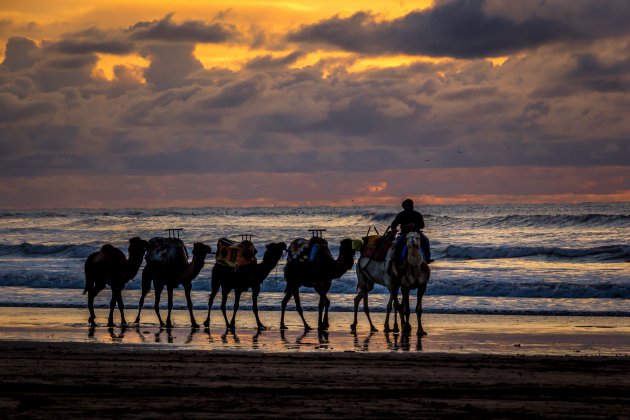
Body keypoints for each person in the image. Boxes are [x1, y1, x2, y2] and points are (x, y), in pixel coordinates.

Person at [390, 198, 432, 263]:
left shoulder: (417, 214)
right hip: (404, 234)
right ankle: (397, 259)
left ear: (411, 205)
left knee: (426, 240)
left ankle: (427, 258)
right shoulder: (401, 215)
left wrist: (414, 225)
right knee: (399, 242)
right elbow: (393, 225)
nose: (406, 207)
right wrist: (394, 230)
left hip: (416, 234)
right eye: (405, 205)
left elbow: (422, 225)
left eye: (407, 205)